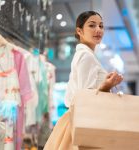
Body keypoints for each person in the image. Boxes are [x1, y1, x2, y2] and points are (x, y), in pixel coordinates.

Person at [44, 11, 123, 150]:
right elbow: (84, 98)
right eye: (92, 25)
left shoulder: (87, 55)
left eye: (101, 26)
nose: (98, 29)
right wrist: (106, 86)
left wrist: (106, 85)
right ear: (79, 31)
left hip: (80, 120)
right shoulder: (86, 56)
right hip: (84, 121)